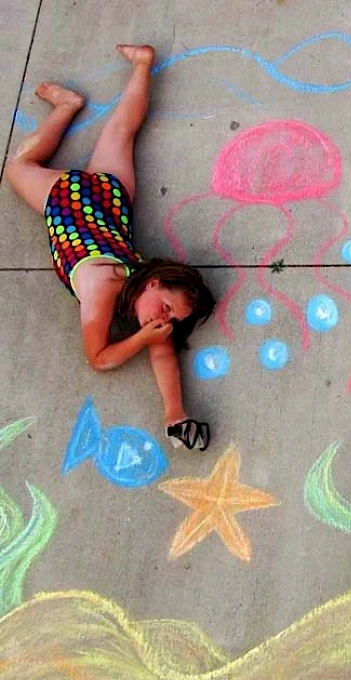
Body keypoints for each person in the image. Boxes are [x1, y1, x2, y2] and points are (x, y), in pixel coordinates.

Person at [6, 44, 214, 451]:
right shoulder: (102, 291)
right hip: (65, 198)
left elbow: (163, 351)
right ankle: (65, 107)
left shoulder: (144, 288)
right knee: (17, 167)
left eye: (172, 320)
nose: (164, 323)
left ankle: (142, 63)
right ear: (153, 285)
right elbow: (98, 358)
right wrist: (139, 340)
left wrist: (175, 412)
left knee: (121, 130)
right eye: (168, 311)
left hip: (109, 200)